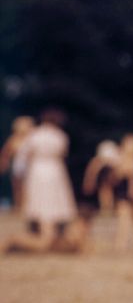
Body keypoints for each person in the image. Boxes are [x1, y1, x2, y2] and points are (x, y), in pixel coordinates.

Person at [1, 108, 82, 254]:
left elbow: (23, 156)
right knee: (53, 209)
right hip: (56, 173)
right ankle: (14, 241)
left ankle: (38, 238)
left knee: (41, 208)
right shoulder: (60, 136)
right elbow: (63, 153)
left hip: (37, 173)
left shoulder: (35, 135)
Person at [111, 133, 133, 251]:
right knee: (123, 220)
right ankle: (120, 243)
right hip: (122, 193)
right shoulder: (119, 159)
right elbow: (115, 177)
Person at [0, 116, 35, 212]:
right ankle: (18, 204)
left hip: (30, 165)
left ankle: (27, 204)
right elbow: (6, 152)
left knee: (28, 186)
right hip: (18, 165)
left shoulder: (32, 139)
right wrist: (4, 163)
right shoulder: (14, 139)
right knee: (17, 186)